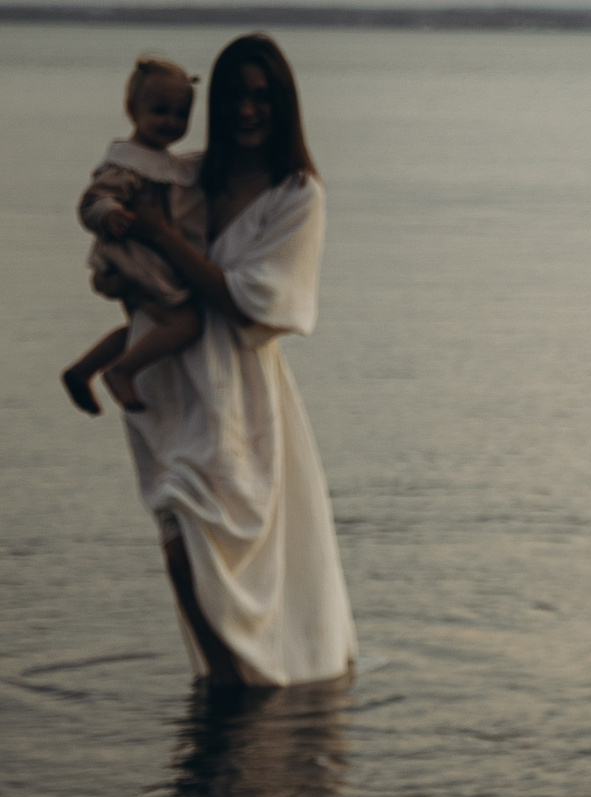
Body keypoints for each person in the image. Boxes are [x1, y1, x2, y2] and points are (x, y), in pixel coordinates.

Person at [106, 33, 356, 688]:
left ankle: (241, 678)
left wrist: (161, 237)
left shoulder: (297, 195)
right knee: (175, 531)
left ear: (283, 104)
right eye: (235, 96)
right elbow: (129, 252)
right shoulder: (187, 175)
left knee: (220, 535)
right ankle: (222, 677)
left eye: (262, 96)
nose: (248, 110)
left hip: (238, 391)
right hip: (167, 375)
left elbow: (248, 303)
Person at [62, 56, 205, 416]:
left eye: (180, 114)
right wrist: (110, 215)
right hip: (136, 263)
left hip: (145, 263)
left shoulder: (161, 160)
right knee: (185, 322)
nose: (171, 121)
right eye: (160, 110)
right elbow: (93, 201)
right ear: (132, 109)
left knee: (142, 329)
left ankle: (82, 370)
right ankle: (122, 372)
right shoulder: (128, 163)